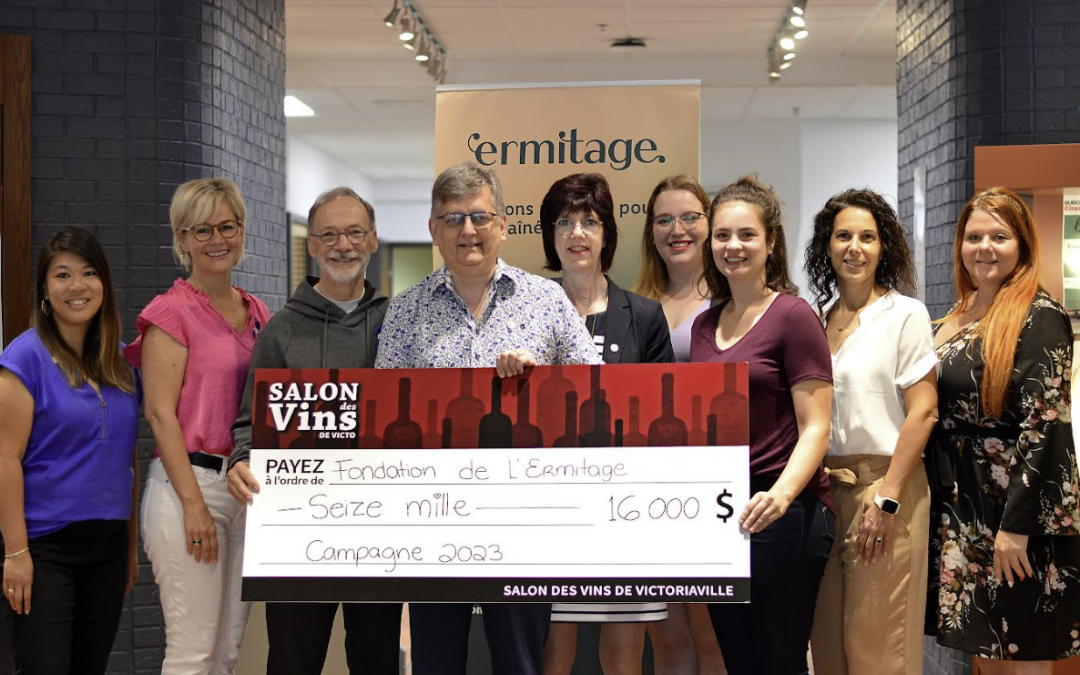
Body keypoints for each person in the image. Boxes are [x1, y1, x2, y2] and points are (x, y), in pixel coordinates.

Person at [375, 162, 600, 675]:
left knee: (521, 662)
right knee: (437, 661)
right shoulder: (406, 311)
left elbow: (594, 390)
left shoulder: (546, 301)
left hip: (525, 519)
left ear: (502, 224)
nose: (468, 231)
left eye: (479, 216)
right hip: (432, 521)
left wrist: (544, 381)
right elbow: (386, 417)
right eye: (452, 219)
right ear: (433, 230)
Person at [226, 187, 402, 674]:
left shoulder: (399, 323)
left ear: (371, 240)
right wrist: (241, 460)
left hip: (381, 531)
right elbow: (249, 423)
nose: (341, 245)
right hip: (298, 530)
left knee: (377, 659)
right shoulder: (280, 331)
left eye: (353, 233)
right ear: (312, 245)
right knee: (293, 660)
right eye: (328, 234)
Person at [927, 187, 1080, 672]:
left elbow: (1045, 425)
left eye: (1000, 236)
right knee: (986, 648)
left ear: (1023, 246)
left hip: (1014, 509)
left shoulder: (1041, 314)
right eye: (974, 237)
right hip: (962, 506)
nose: (984, 247)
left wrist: (1018, 527)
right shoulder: (955, 317)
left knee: (1025, 648)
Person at [689, 175, 834, 675]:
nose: (734, 246)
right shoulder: (706, 325)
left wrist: (783, 496)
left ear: (771, 242)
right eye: (723, 235)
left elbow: (817, 425)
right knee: (738, 657)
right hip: (721, 513)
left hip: (782, 513)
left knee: (779, 658)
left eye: (747, 235)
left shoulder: (793, 316)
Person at [126, 178, 271, 675]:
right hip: (190, 488)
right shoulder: (170, 313)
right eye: (201, 229)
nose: (217, 239)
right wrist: (193, 506)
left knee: (227, 653)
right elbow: (159, 414)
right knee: (192, 654)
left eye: (227, 226)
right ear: (182, 238)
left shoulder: (256, 312)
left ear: (242, 230)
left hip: (244, 492)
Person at [537, 173, 674, 675]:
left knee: (623, 656)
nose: (578, 234)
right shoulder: (526, 311)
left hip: (626, 509)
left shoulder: (644, 315)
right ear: (551, 237)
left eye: (590, 222)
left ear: (607, 234)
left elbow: (666, 414)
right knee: (553, 651)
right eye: (565, 223)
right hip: (550, 508)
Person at [802, 189, 938, 675]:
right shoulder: (815, 321)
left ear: (884, 248)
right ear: (827, 246)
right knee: (829, 650)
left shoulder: (905, 314)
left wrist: (888, 499)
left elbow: (923, 412)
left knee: (878, 649)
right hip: (824, 494)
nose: (854, 248)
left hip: (885, 490)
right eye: (843, 236)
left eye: (867, 237)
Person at [0, 227, 140, 675]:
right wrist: (16, 553)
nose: (77, 286)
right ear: (45, 290)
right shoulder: (23, 360)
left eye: (88, 273)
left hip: (109, 547)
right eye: (62, 275)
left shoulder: (122, 365)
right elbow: (5, 459)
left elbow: (128, 462)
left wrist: (131, 548)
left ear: (104, 285)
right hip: (45, 550)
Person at [633, 174, 722, 674]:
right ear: (651, 232)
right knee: (666, 640)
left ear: (709, 224)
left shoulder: (732, 300)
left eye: (690, 217)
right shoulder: (636, 304)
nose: (677, 229)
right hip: (649, 494)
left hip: (712, 490)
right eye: (664, 219)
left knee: (712, 639)